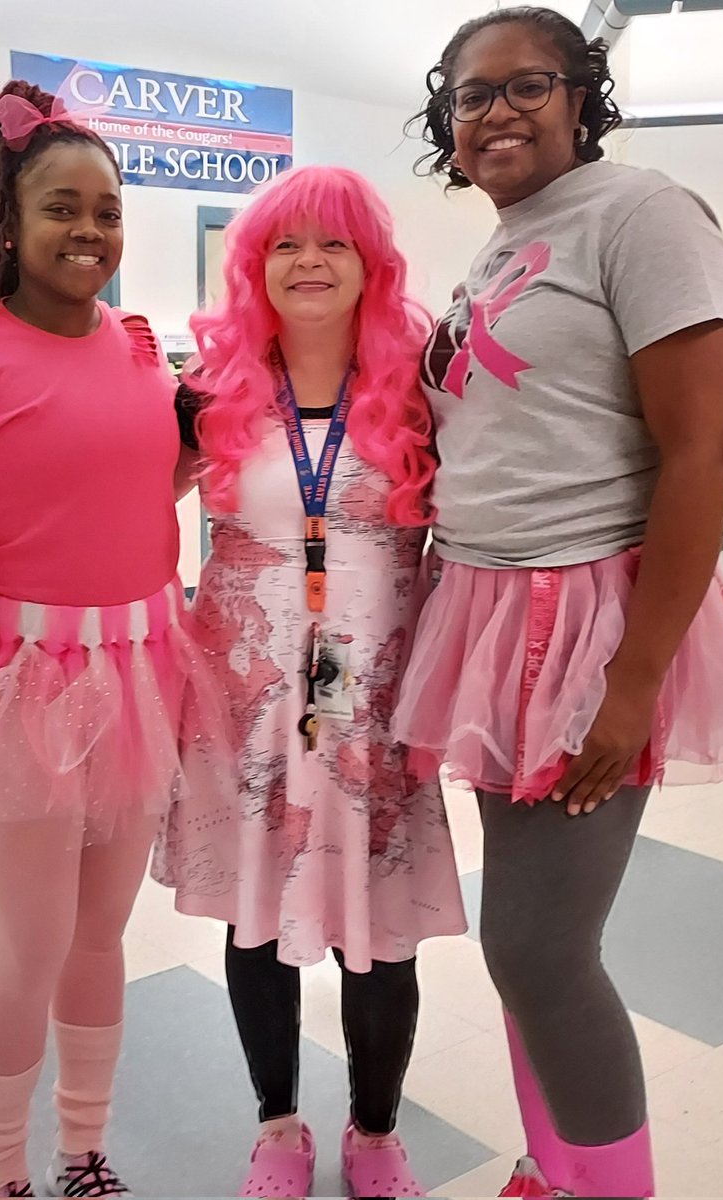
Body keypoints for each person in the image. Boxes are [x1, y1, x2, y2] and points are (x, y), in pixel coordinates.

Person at [395, 9, 723, 1198]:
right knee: (527, 945)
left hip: (588, 619)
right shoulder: (508, 240)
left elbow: (705, 451)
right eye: (468, 96)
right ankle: (554, 1169)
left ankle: (610, 1189)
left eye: (525, 85)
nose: (494, 111)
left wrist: (634, 681)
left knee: (540, 949)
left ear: (580, 95)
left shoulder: (640, 214)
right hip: (493, 608)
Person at [0, 80, 226, 1198]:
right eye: (62, 208)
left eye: (109, 211)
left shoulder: (138, 350)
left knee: (97, 941)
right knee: (28, 952)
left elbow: (134, 487)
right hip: (23, 685)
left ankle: (83, 1153)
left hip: (139, 672)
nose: (91, 232)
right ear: (5, 220)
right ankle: (0, 1178)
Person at [151, 165, 467, 1200]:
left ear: (370, 262)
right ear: (255, 267)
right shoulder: (210, 391)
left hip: (373, 708)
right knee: (260, 920)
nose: (310, 262)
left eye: (333, 242)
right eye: (286, 244)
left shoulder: (419, 393)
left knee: (376, 934)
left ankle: (374, 1135)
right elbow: (120, 510)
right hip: (242, 706)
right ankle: (276, 1126)